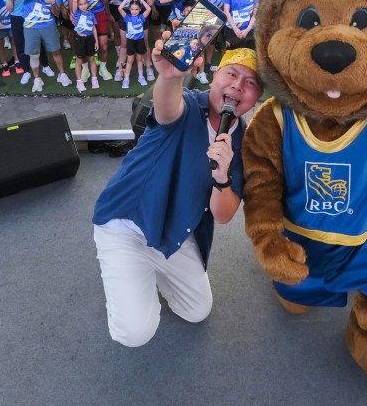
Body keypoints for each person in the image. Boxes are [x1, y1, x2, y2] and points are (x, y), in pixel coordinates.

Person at [91, 46, 262, 347]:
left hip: (174, 231)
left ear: (255, 97)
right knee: (135, 334)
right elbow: (167, 108)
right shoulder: (186, 106)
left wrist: (221, 176)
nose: (238, 85)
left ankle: (147, 271)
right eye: (232, 74)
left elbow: (223, 215)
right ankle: (125, 267)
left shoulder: (243, 140)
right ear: (214, 76)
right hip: (128, 224)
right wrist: (170, 78)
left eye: (251, 83)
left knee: (197, 311)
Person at [5, 0, 71, 92]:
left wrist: (53, 3)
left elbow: (57, 13)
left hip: (49, 25)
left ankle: (62, 75)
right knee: (34, 55)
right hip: (30, 26)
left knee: (56, 51)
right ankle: (37, 79)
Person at [118, 0, 152, 89]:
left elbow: (148, 9)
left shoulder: (141, 17)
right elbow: (120, 8)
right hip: (131, 41)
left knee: (139, 59)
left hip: (140, 41)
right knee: (129, 60)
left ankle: (141, 77)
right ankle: (126, 79)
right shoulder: (127, 17)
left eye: (136, 9)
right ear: (129, 9)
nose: (134, 11)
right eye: (132, 9)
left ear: (140, 9)